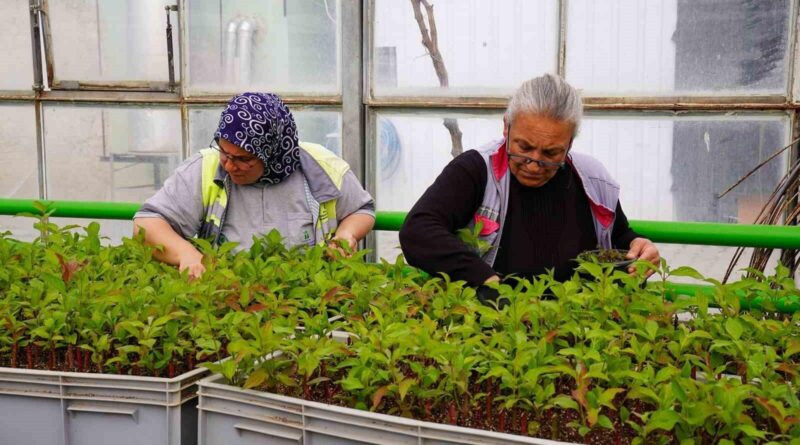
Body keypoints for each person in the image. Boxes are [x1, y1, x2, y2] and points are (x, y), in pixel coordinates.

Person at [399, 74, 659, 292]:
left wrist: (640, 247)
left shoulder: (592, 180)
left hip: (578, 331)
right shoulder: (476, 171)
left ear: (570, 143)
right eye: (524, 147)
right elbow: (418, 230)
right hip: (495, 328)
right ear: (506, 127)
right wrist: (485, 279)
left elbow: (619, 237)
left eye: (551, 153)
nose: (534, 164)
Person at [134, 92, 375, 278]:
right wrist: (186, 254)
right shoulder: (203, 168)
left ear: (272, 152)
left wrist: (346, 234)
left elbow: (361, 209)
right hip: (226, 297)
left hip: (308, 298)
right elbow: (146, 225)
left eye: (243, 159)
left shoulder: (319, 166)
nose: (229, 166)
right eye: (224, 153)